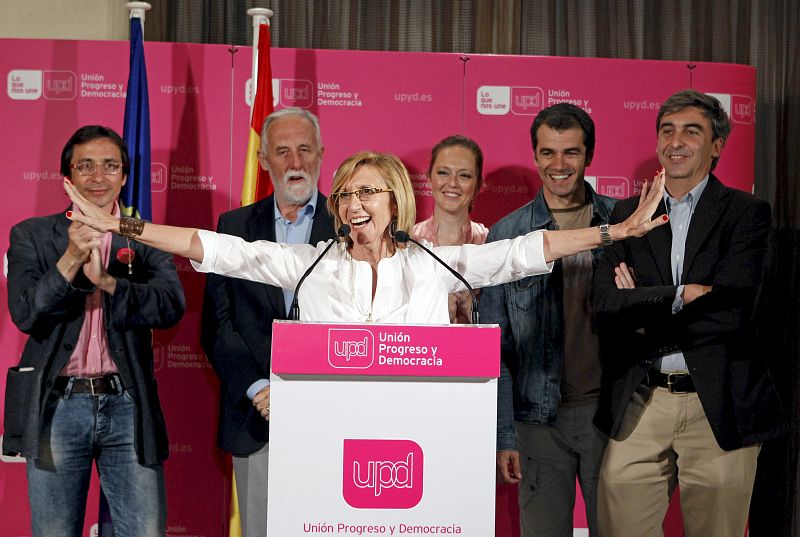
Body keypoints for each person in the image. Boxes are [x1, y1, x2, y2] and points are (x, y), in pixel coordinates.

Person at [64, 148, 665, 326]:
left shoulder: (435, 261)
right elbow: (214, 248)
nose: (355, 204)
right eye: (346, 194)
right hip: (328, 438)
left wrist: (617, 229)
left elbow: (524, 252)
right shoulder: (310, 262)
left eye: (369, 192)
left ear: (396, 199)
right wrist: (121, 223)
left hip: (419, 439)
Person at [592, 89, 787, 536]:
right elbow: (605, 306)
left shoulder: (746, 213)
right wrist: (683, 294)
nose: (675, 141)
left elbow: (733, 311)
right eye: (667, 130)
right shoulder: (627, 213)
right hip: (643, 398)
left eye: (691, 131)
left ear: (717, 145)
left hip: (718, 402)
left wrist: (643, 303)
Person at [3, 125, 185, 536]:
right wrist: (69, 261)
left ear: (124, 176)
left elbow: (171, 307)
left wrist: (108, 283)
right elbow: (27, 314)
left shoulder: (144, 238)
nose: (98, 177)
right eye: (86, 166)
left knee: (144, 531)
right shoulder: (31, 235)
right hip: (57, 406)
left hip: (127, 405)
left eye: (109, 166)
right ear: (68, 177)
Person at [200, 108, 334, 537]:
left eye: (304, 150)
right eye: (282, 151)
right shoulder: (233, 227)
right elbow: (217, 326)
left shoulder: (352, 226)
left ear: (321, 155)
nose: (295, 163)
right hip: (257, 418)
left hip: (333, 417)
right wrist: (260, 388)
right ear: (263, 160)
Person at [484, 103, 615, 537]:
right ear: (535, 155)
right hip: (537, 423)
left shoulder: (623, 221)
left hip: (613, 417)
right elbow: (496, 347)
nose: (558, 165)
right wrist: (505, 435)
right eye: (548, 153)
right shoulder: (507, 234)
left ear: (589, 155)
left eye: (571, 153)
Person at [412, 135, 489, 323]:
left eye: (464, 175)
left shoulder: (490, 242)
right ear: (429, 178)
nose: (453, 183)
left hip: (477, 350)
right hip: (419, 349)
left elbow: (507, 324)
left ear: (478, 184)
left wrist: (475, 309)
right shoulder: (408, 242)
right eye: (443, 173)